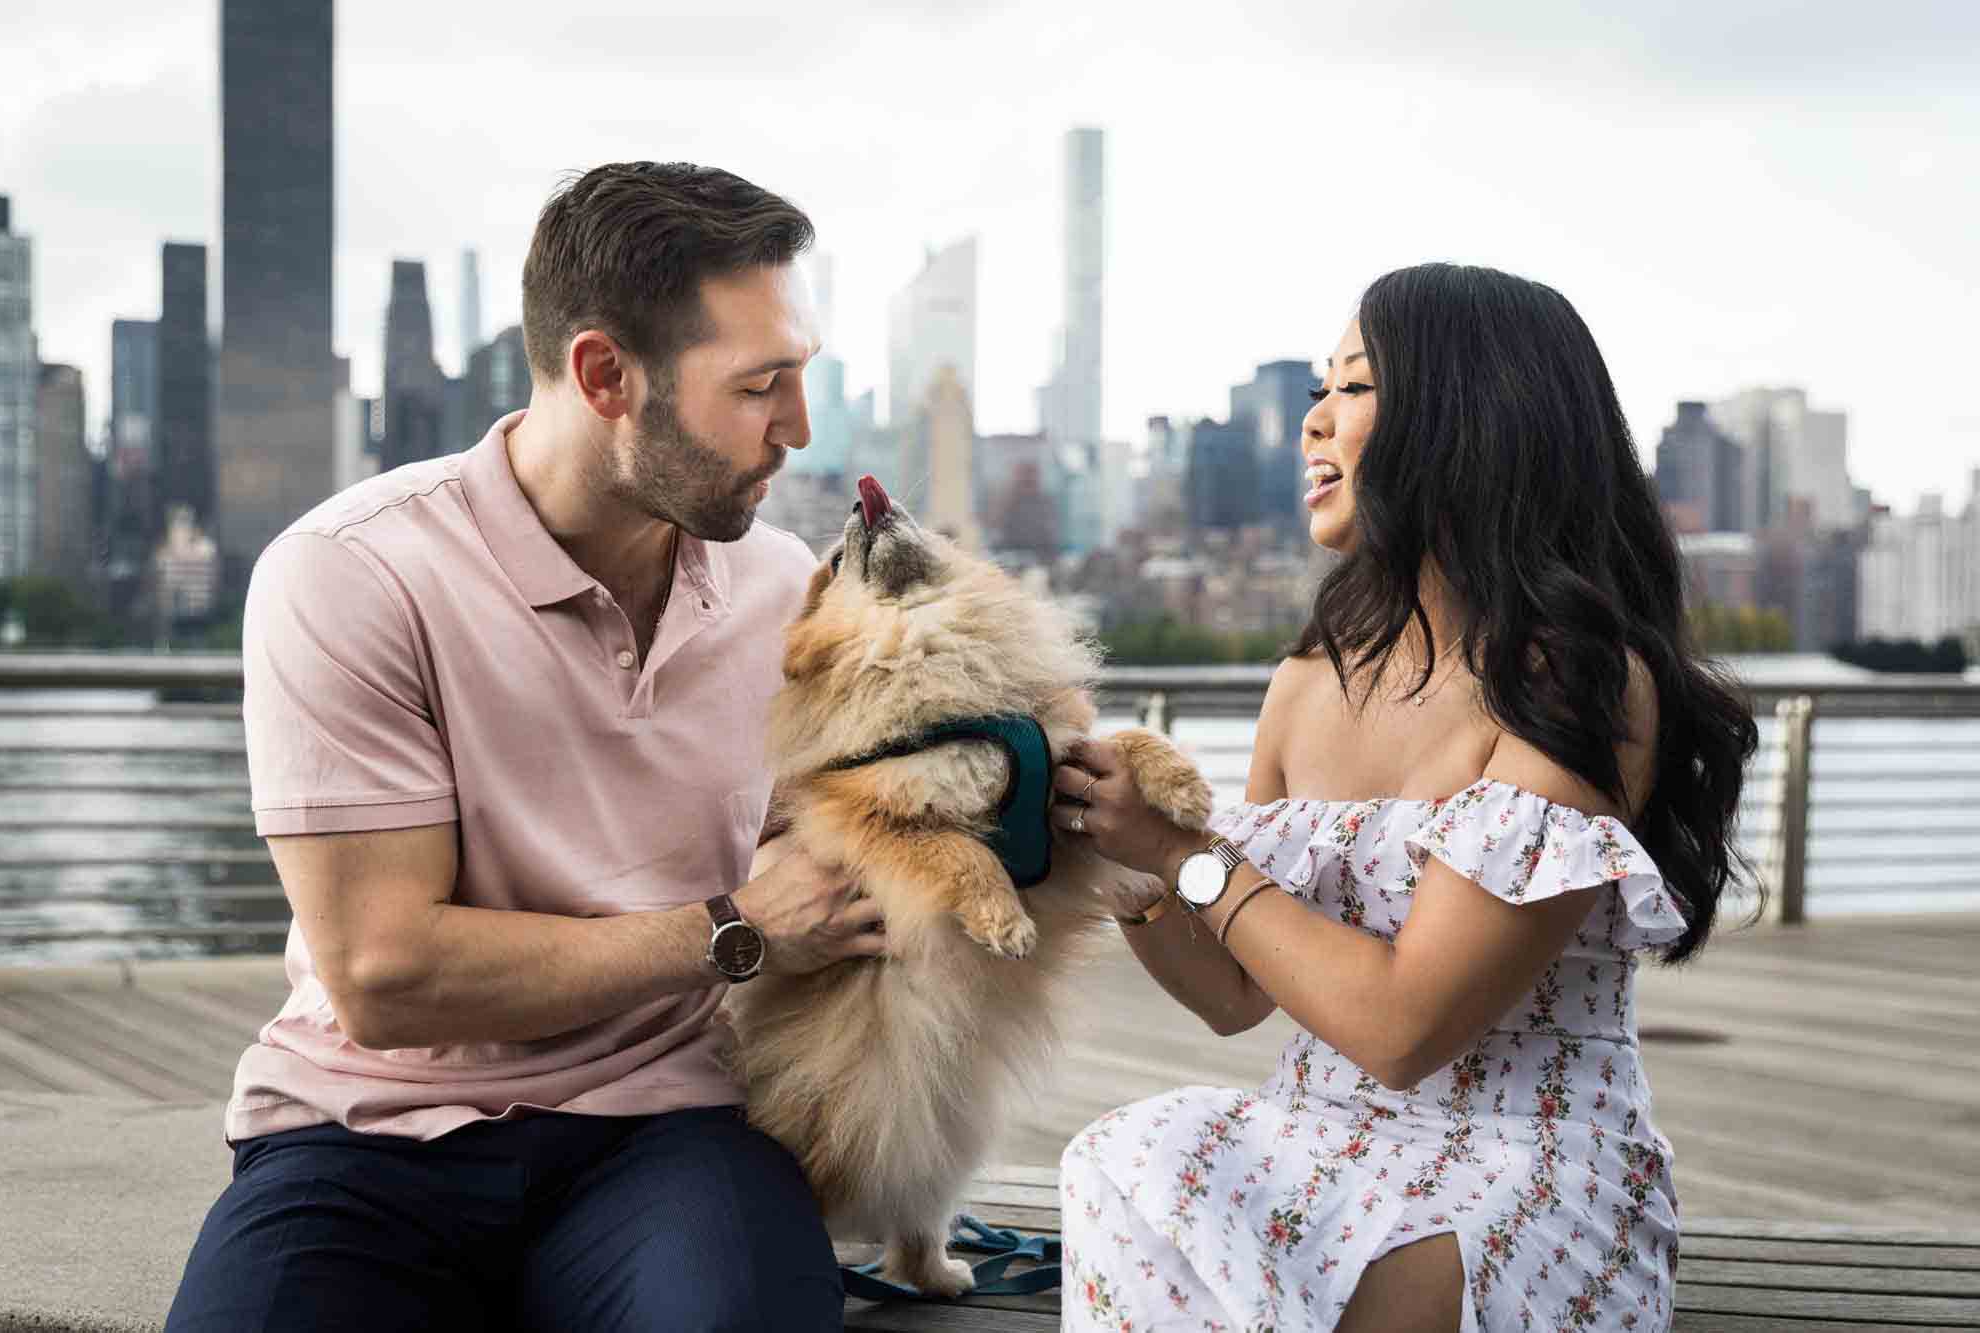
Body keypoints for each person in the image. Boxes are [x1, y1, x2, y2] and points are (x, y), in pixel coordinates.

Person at [165, 162, 886, 1332]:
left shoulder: (781, 589)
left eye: (798, 378)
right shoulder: (351, 573)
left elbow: (844, 847)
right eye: (761, 386)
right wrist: (734, 929)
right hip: (363, 1137)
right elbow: (385, 977)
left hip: (671, 1131)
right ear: (605, 374)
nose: (796, 431)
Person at [1049, 263, 1757, 1332]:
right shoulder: (1301, 683)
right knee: (1128, 1153)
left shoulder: (1570, 680)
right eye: (1313, 394)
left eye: (1352, 389)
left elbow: (1399, 1025)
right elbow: (1235, 995)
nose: (1313, 426)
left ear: (1464, 418)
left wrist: (1190, 855)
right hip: (1317, 1141)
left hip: (1524, 1169)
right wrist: (1124, 862)